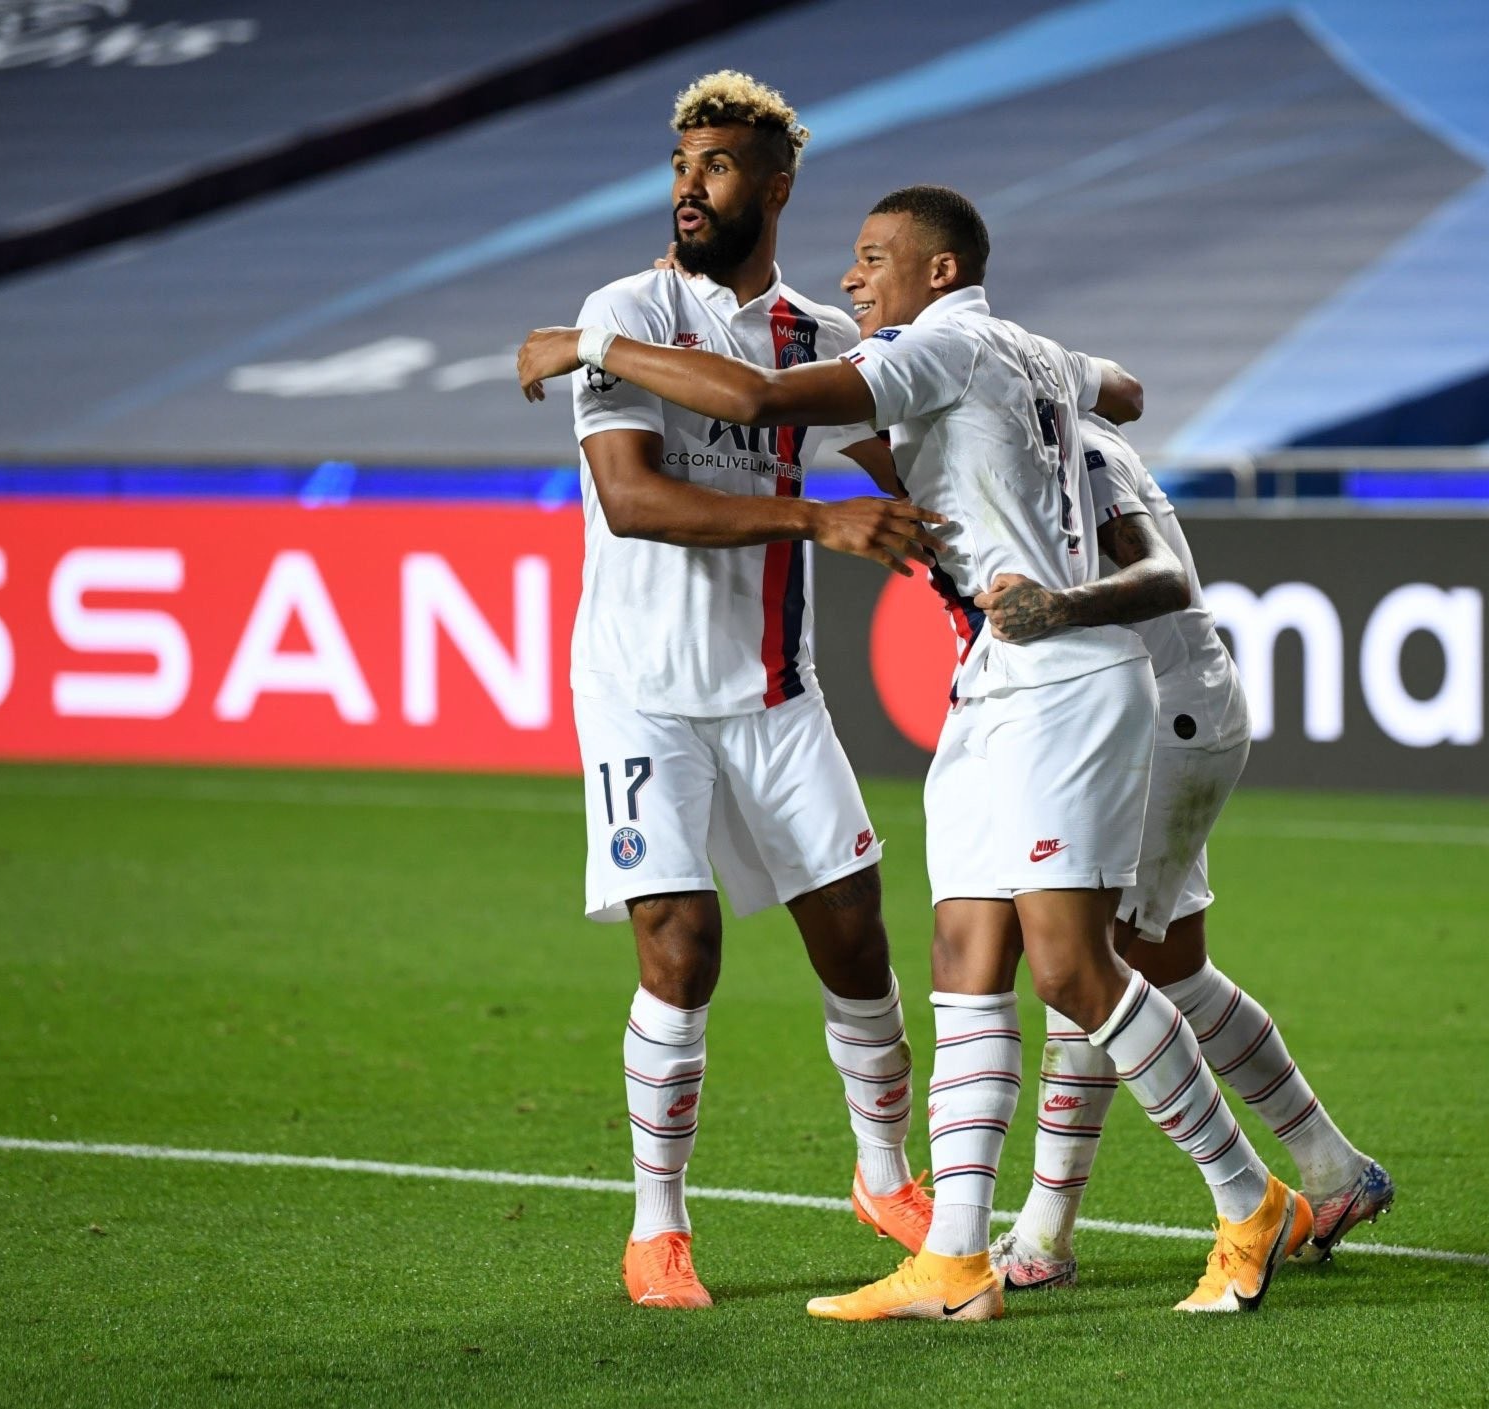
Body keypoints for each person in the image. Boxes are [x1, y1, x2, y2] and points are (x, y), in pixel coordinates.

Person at [521, 185, 1310, 1319]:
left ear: (938, 273)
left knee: (1072, 970)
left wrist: (590, 344)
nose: (852, 279)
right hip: (992, 680)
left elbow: (759, 397)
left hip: (1061, 681)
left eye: (873, 257)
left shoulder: (931, 350)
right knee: (962, 959)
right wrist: (1047, 389)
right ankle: (954, 1257)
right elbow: (1125, 389)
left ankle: (1249, 1200)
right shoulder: (1022, 348)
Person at [534, 71, 949, 1311]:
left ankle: (883, 1175)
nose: (688, 188)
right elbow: (632, 500)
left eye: (714, 167)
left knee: (855, 931)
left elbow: (902, 458)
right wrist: (815, 519)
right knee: (683, 945)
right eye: (680, 166)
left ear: (773, 188)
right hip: (640, 689)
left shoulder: (814, 334)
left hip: (771, 686)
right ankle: (656, 1226)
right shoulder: (622, 313)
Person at [985, 416, 1395, 1292]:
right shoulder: (1057, 433)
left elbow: (1159, 576)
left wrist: (1054, 610)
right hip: (1164, 714)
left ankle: (1044, 1237)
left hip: (1161, 719)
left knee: (1086, 969)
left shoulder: (1074, 451)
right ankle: (1334, 1168)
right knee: (1170, 967)